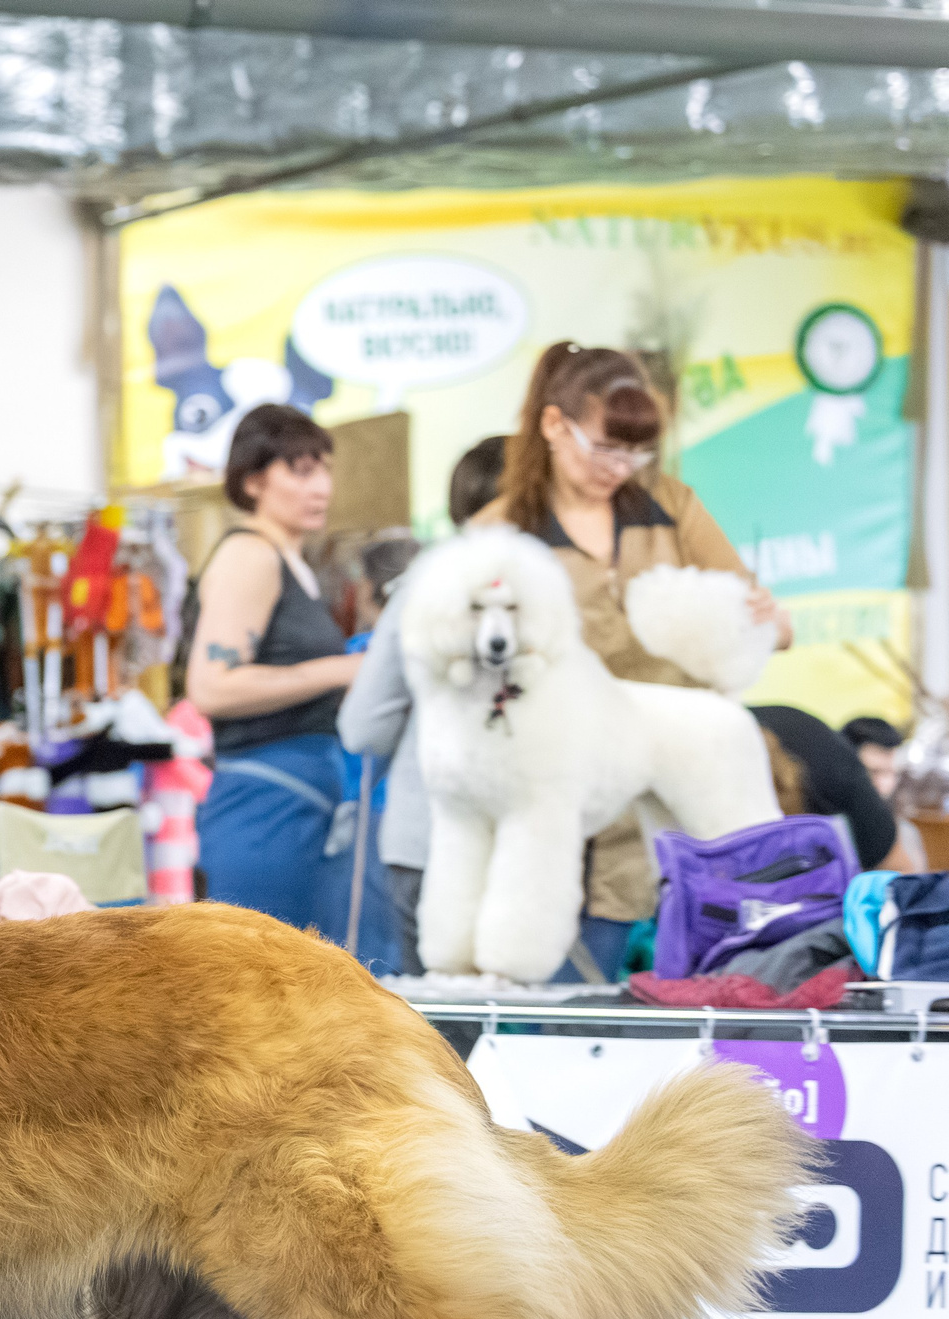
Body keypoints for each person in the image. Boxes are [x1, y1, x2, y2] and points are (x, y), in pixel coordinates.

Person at [468, 342, 792, 979]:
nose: (620, 467)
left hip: (689, 780)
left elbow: (768, 624)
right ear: (554, 426)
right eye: (604, 448)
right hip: (572, 789)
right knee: (570, 988)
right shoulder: (498, 533)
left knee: (733, 959)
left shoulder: (672, 504)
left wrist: (763, 617)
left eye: (635, 452)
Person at [189, 405, 392, 959]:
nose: (320, 486)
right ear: (254, 480)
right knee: (259, 1002)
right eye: (300, 471)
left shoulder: (292, 562)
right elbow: (211, 687)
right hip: (264, 808)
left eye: (324, 469)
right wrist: (343, 669)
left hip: (302, 804)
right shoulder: (250, 555)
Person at [336, 435, 513, 976]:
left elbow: (363, 726)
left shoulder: (424, 584)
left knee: (444, 1039)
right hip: (528, 840)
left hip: (427, 838)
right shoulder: (558, 582)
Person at [757, 706, 921, 872]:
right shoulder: (825, 802)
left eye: (893, 773)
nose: (886, 784)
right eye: (873, 772)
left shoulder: (905, 834)